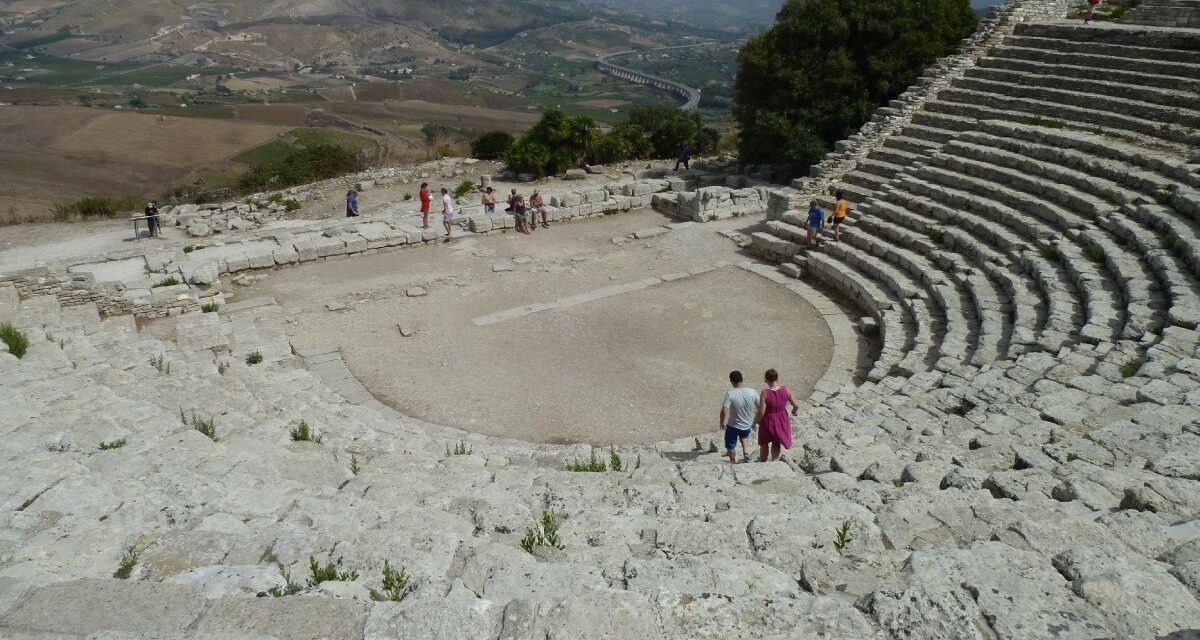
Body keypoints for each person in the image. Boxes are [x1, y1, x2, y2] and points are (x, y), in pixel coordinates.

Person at [754, 368, 799, 462]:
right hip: (781, 419)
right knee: (776, 442)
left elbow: (761, 411)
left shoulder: (765, 393)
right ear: (776, 378)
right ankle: (775, 462)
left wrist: (755, 421)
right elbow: (796, 405)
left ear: (766, 379)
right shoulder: (785, 389)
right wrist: (794, 411)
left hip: (768, 421)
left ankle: (763, 462)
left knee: (764, 443)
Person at [719, 370, 758, 463]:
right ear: (742, 379)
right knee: (744, 437)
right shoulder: (752, 392)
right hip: (747, 425)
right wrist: (755, 421)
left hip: (733, 426)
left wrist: (722, 422)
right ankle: (745, 452)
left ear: (731, 381)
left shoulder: (730, 393)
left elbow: (724, 410)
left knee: (730, 446)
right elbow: (761, 407)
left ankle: (733, 461)